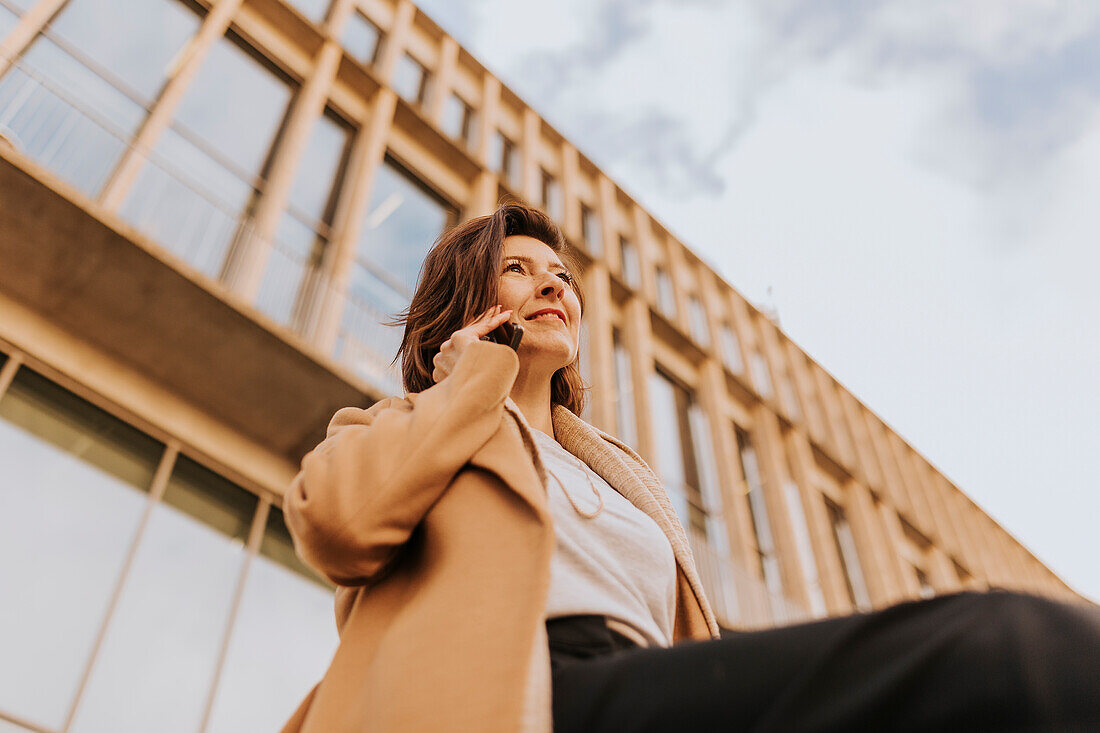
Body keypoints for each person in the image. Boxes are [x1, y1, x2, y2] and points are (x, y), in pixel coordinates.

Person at [280, 202, 1100, 732]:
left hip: (644, 684)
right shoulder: (395, 426)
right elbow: (339, 525)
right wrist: (468, 381)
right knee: (1009, 650)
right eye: (520, 270)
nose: (552, 287)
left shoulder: (617, 474)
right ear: (467, 301)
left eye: (563, 277)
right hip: (506, 696)